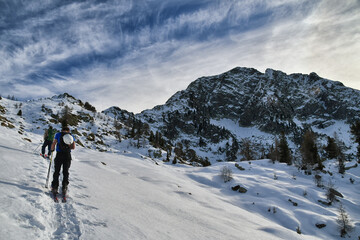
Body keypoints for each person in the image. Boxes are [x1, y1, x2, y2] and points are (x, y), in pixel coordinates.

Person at [50, 126, 75, 196]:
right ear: (68, 130)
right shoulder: (71, 136)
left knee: (57, 171)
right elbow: (73, 147)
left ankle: (54, 187)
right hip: (67, 156)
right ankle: (64, 187)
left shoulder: (58, 134)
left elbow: (54, 143)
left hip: (59, 155)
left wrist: (52, 150)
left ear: (62, 130)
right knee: (65, 172)